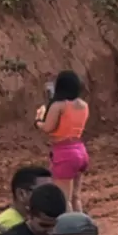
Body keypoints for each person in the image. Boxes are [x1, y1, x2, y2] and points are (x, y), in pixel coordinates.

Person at [35, 70, 89, 212]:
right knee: (76, 197)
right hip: (80, 149)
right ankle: (80, 223)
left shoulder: (59, 106)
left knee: (64, 199)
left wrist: (38, 120)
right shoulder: (83, 105)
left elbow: (48, 128)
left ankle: (69, 224)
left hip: (64, 153)